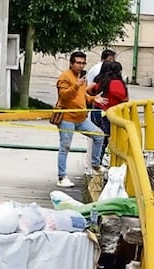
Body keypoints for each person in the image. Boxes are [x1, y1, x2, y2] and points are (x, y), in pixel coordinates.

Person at [54, 51, 104, 188]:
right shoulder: (65, 77)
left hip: (81, 118)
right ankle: (62, 176)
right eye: (78, 63)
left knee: (99, 136)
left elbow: (83, 97)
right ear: (71, 63)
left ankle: (95, 165)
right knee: (65, 147)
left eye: (83, 63)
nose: (81, 66)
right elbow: (63, 96)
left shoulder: (82, 78)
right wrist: (76, 85)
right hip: (67, 118)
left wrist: (94, 98)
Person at [88, 60, 128, 154]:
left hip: (98, 109)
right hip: (108, 113)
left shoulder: (102, 81)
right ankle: (97, 161)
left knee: (97, 137)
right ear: (119, 71)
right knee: (104, 139)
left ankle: (94, 160)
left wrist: (93, 97)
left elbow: (90, 88)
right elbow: (124, 98)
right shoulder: (116, 83)